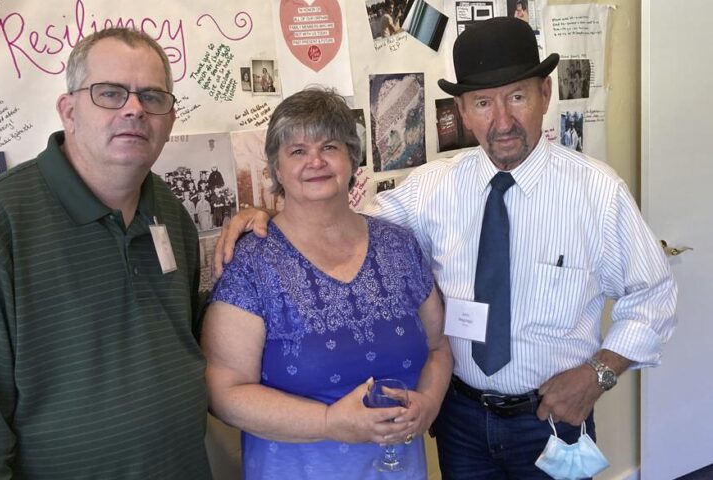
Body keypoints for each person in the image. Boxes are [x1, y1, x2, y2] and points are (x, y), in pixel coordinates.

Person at [215, 17, 677, 479]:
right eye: (482, 103)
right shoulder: (432, 188)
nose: (501, 121)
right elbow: (342, 220)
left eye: (517, 97)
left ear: (545, 93)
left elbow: (653, 296)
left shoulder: (597, 193)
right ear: (461, 109)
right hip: (459, 419)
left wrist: (598, 375)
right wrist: (267, 219)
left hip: (552, 415)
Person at [0, 28, 212, 479]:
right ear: (70, 111)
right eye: (111, 93)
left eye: (153, 97)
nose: (135, 109)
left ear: (170, 119)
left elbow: (192, 340)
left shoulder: (171, 212)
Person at [203, 88, 453, 479]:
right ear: (276, 170)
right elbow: (224, 393)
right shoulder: (252, 263)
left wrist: (430, 402)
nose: (315, 161)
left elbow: (439, 345)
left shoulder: (398, 246)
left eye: (330, 146)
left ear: (352, 158)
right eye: (297, 151)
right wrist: (328, 422)